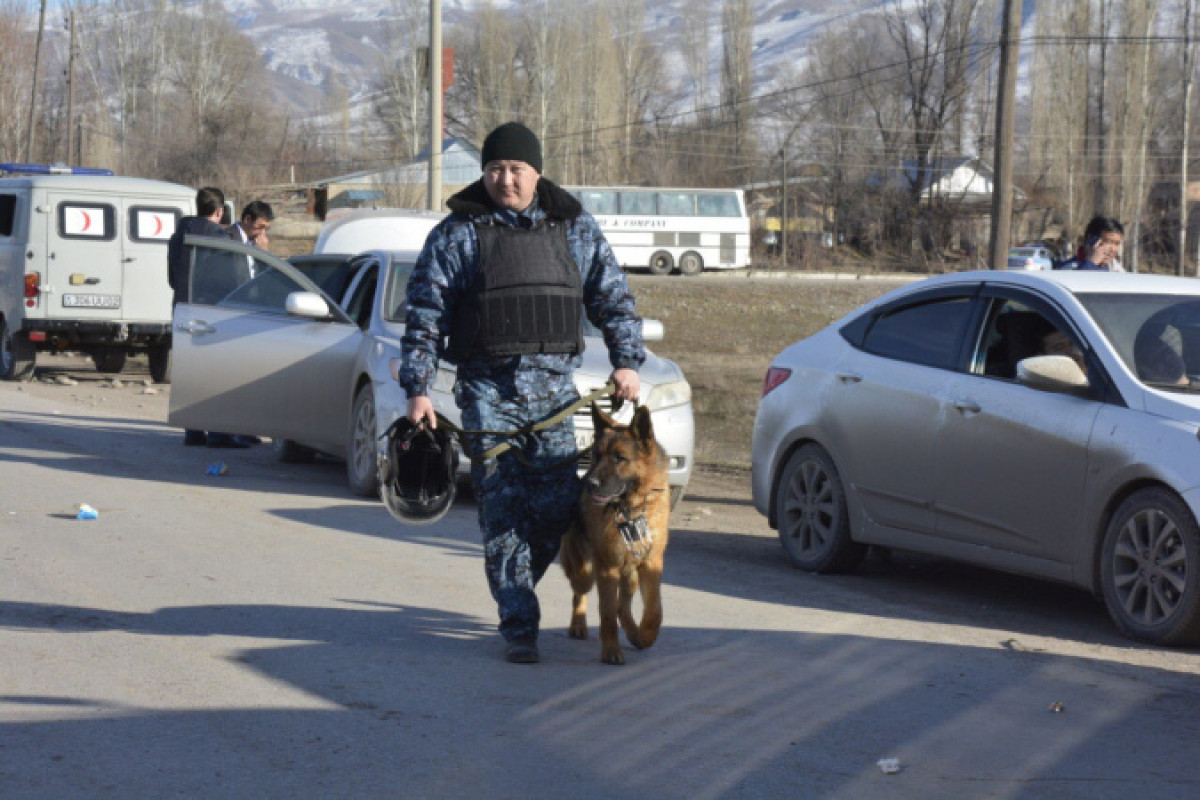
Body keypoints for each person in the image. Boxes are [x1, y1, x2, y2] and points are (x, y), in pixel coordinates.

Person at [398, 121, 645, 664]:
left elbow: (613, 295)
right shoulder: (458, 233)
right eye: (494, 169)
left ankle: (517, 590)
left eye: (515, 169)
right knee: (503, 508)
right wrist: (417, 389)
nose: (504, 179)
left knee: (558, 507)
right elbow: (425, 315)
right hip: (490, 391)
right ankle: (519, 625)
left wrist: (627, 360)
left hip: (556, 393)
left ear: (536, 172)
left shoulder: (573, 228)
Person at [167, 186, 247, 448]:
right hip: (215, 314)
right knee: (217, 373)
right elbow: (237, 283)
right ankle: (218, 433)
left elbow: (171, 278)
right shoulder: (223, 240)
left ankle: (193, 431)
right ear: (219, 211)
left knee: (190, 372)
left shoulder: (178, 237)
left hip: (182, 309)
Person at [1054, 216, 1124, 271]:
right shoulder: (1067, 269)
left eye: (1116, 244)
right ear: (1091, 240)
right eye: (1108, 242)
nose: (1112, 249)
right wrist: (1091, 264)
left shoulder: (1116, 270)